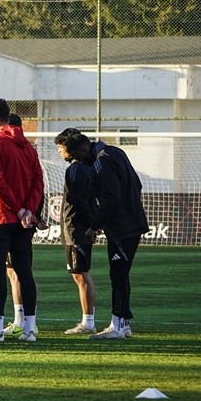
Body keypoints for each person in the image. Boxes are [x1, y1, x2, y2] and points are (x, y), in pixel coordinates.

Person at [0, 97, 44, 343]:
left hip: (0, 216)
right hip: (23, 220)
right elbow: (38, 182)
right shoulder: (28, 146)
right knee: (24, 272)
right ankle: (29, 328)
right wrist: (29, 210)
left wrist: (17, 208)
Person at [80, 132, 148, 340]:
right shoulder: (116, 152)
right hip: (132, 222)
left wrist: (94, 226)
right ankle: (123, 324)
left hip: (122, 227)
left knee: (118, 275)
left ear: (82, 151)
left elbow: (110, 199)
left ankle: (117, 325)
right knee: (121, 274)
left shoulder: (102, 162)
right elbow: (137, 184)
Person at [54, 129, 98, 335]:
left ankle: (88, 321)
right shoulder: (84, 168)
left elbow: (79, 201)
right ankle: (88, 320)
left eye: (61, 148)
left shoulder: (76, 170)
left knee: (81, 275)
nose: (60, 152)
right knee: (80, 274)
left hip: (76, 229)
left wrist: (90, 225)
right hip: (76, 228)